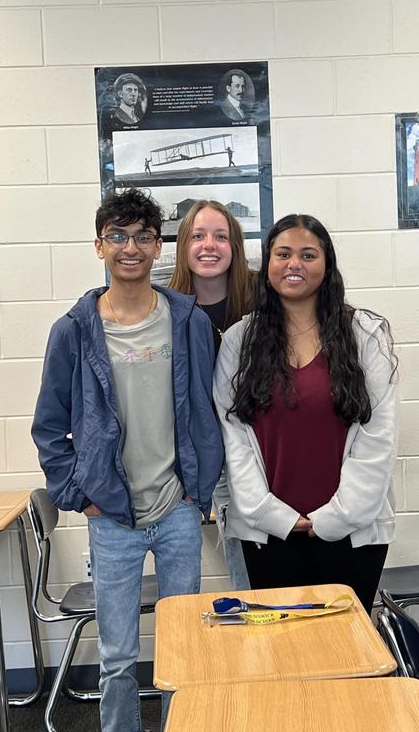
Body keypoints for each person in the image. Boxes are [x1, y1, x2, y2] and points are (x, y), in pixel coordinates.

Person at [32, 188, 223, 732]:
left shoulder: (186, 321)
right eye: (118, 236)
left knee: (184, 651)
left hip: (178, 511)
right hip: (111, 516)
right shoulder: (73, 331)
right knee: (117, 659)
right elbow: (49, 426)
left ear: (158, 244)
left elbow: (209, 410)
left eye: (142, 236)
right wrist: (81, 496)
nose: (130, 248)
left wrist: (199, 488)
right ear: (99, 246)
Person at [213, 214, 398, 614]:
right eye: (283, 254)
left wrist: (335, 517)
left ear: (327, 266)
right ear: (268, 265)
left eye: (308, 254)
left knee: (347, 656)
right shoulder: (238, 342)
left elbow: (378, 437)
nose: (294, 264)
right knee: (284, 656)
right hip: (267, 533)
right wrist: (269, 513)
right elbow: (234, 439)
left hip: (352, 532)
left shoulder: (365, 335)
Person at [169, 199, 253, 590]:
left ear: (234, 246)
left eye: (221, 236)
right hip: (207, 462)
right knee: (245, 575)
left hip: (262, 454)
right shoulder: (165, 310)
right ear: (183, 244)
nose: (209, 246)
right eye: (198, 236)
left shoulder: (262, 298)